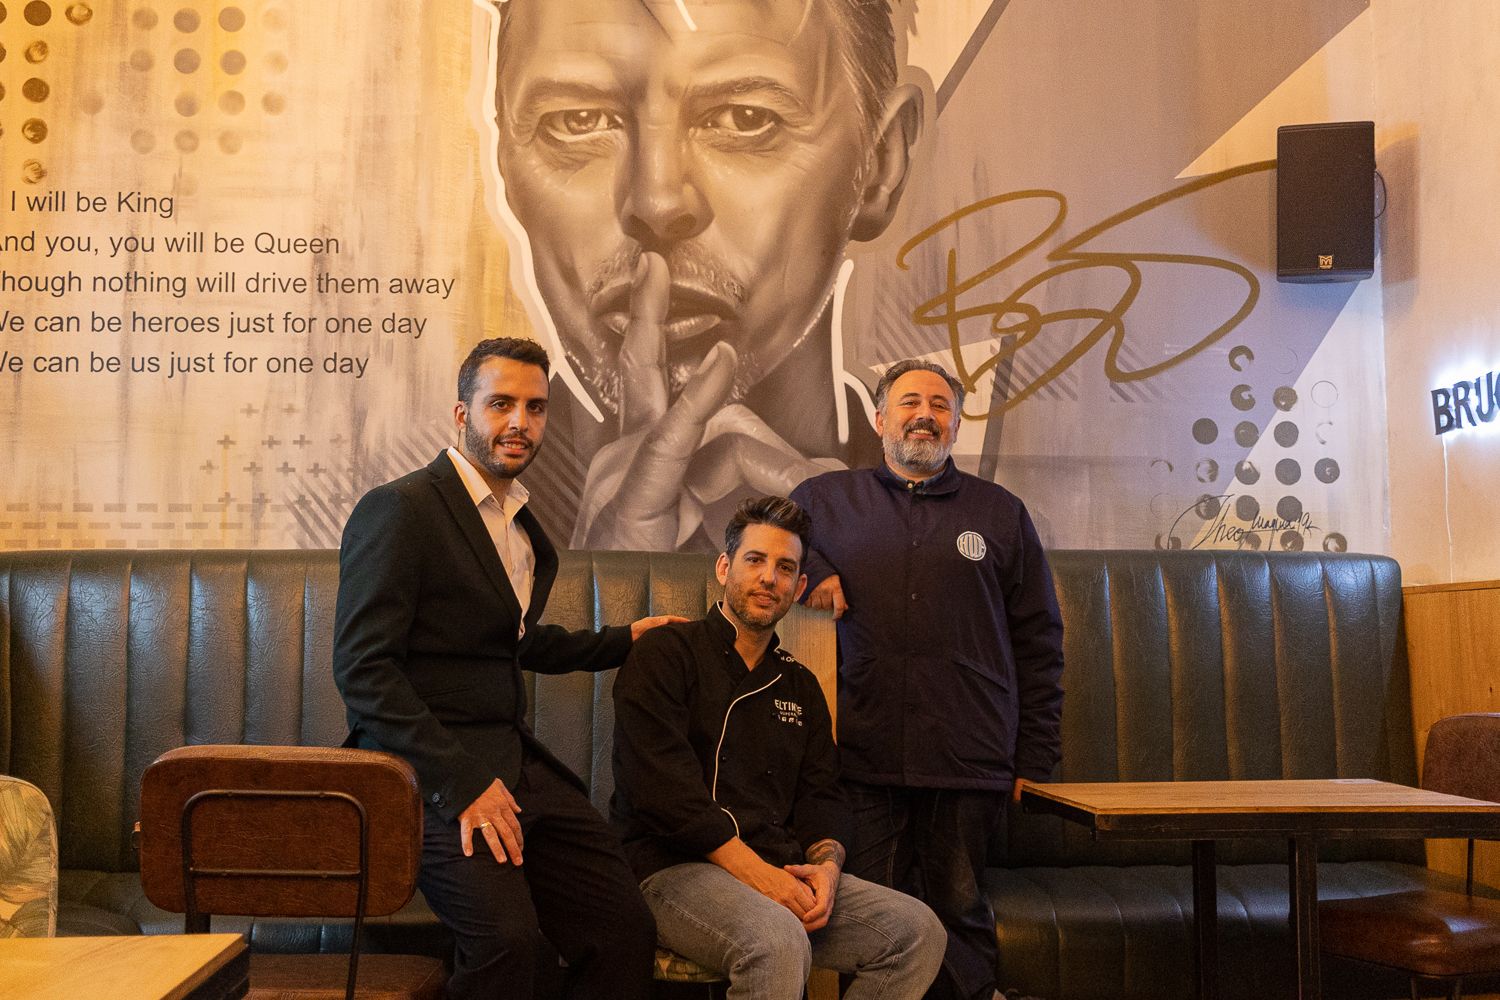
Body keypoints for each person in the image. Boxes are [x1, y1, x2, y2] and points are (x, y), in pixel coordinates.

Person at [481, 0, 927, 551]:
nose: (658, 201)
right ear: (506, 159)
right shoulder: (445, 534)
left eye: (744, 118)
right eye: (578, 122)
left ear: (880, 164)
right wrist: (605, 588)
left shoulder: (961, 524)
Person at [333, 336, 683, 1000]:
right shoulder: (402, 509)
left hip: (514, 759)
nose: (520, 422)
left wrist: (622, 640)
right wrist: (462, 782)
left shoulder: (518, 526)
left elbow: (509, 642)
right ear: (462, 415)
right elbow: (363, 669)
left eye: (535, 406)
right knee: (510, 946)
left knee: (623, 928)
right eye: (501, 404)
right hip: (426, 770)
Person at [789, 360, 1065, 1000]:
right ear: (880, 419)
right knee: (874, 919)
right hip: (858, 755)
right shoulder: (825, 499)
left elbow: (1039, 640)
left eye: (940, 405)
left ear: (955, 424)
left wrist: (1037, 756)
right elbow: (763, 542)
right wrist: (816, 567)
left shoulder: (1001, 513)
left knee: (960, 912)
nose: (925, 415)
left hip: (968, 758)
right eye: (910, 402)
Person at [610, 495, 946, 999]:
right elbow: (661, 790)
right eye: (755, 560)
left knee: (917, 932)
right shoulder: (665, 654)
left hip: (776, 869)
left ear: (798, 586)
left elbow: (822, 795)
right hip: (668, 869)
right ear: (725, 567)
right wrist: (760, 878)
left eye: (785, 567)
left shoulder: (799, 685)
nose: (769, 577)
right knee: (776, 939)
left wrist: (828, 870)